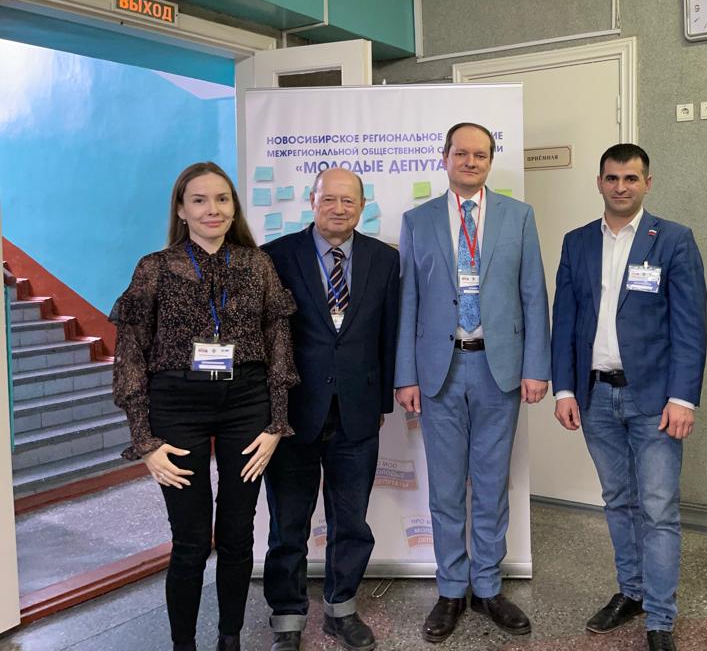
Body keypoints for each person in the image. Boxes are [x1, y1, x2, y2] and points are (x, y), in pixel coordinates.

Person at [110, 162, 298, 651]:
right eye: (199, 200)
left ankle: (229, 638)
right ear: (181, 209)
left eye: (221, 199)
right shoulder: (154, 268)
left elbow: (279, 342)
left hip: (247, 403)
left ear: (233, 207)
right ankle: (184, 644)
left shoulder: (257, 265)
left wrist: (276, 422)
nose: (212, 209)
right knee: (191, 540)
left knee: (237, 535)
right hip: (176, 407)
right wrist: (144, 440)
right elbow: (130, 353)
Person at [394, 122, 550, 643]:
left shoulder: (518, 216)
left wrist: (536, 366)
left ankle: (487, 586)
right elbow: (408, 302)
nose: (470, 161)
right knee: (444, 489)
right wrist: (406, 375)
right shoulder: (417, 221)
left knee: (490, 484)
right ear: (445, 157)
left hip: (498, 369)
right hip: (439, 371)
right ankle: (450, 589)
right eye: (461, 153)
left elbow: (534, 295)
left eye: (480, 154)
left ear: (489, 161)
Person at [550, 144, 707, 651]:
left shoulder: (673, 240)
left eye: (631, 178)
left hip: (655, 400)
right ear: (599, 182)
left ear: (647, 183)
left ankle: (660, 618)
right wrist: (565, 388)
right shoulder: (577, 242)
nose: (621, 187)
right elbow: (564, 321)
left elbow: (690, 326)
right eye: (613, 178)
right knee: (618, 501)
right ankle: (632, 592)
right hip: (595, 396)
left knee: (658, 509)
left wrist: (683, 398)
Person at [261, 168, 399, 651]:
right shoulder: (276, 256)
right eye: (329, 199)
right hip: (293, 413)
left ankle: (341, 610)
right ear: (312, 200)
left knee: (351, 522)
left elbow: (388, 333)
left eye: (349, 201)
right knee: (288, 525)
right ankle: (287, 618)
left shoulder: (384, 259)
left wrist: (382, 401)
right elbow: (264, 337)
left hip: (358, 412)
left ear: (362, 205)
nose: (339, 208)